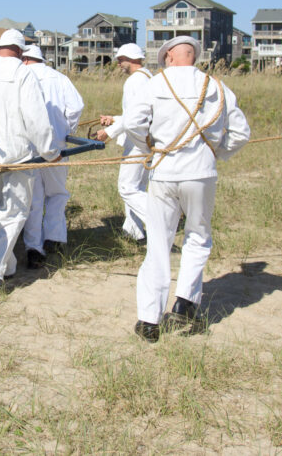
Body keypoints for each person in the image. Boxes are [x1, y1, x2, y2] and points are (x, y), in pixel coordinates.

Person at [123, 36, 250, 342]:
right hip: (201, 174)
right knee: (197, 235)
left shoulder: (154, 85)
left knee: (158, 243)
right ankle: (185, 299)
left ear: (169, 58)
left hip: (164, 172)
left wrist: (150, 147)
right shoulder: (217, 87)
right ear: (193, 57)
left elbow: (132, 124)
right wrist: (215, 153)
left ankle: (149, 320)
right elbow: (241, 133)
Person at [0, 30, 58, 287]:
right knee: (15, 213)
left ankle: (5, 266)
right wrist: (50, 151)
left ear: (0, 48)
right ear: (21, 51)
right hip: (16, 156)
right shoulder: (23, 73)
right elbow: (35, 119)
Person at [19, 45, 84, 268]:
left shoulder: (22, 76)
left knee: (33, 199)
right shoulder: (59, 78)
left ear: (26, 59)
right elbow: (76, 107)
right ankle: (54, 238)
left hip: (29, 145)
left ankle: (33, 247)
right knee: (57, 192)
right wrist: (66, 130)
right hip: (57, 145)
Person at [95, 43, 154, 242]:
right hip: (147, 140)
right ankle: (133, 232)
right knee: (137, 188)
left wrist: (108, 132)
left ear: (131, 59)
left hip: (137, 142)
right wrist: (114, 119)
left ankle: (161, 220)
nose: (119, 64)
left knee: (127, 188)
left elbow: (133, 119)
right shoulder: (149, 78)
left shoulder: (134, 81)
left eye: (121, 60)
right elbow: (137, 115)